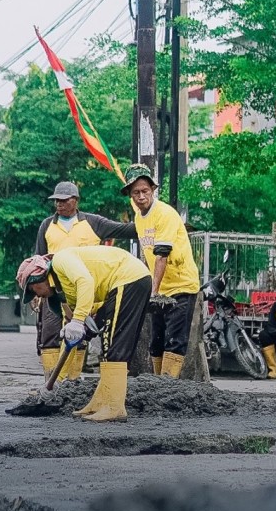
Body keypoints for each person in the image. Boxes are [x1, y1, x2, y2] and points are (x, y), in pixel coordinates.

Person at [18, 246, 151, 422]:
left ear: (37, 279)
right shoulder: (65, 293)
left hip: (128, 278)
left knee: (113, 344)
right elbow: (70, 339)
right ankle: (100, 402)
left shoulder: (61, 260)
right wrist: (57, 380)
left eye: (33, 290)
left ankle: (114, 407)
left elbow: (85, 281)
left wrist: (79, 319)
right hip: (123, 284)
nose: (38, 296)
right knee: (107, 345)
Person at [34, 181, 137, 382]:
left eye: (64, 200)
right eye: (56, 201)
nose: (59, 204)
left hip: (84, 288)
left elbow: (124, 230)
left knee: (78, 335)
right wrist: (36, 293)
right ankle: (51, 381)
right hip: (54, 290)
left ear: (76, 200)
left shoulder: (93, 222)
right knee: (50, 334)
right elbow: (38, 260)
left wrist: (150, 223)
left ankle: (72, 381)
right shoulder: (47, 225)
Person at [122, 163, 201, 378]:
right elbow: (146, 254)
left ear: (153, 190)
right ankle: (158, 383)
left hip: (181, 285)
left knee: (175, 339)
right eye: (136, 192)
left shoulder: (164, 214)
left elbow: (161, 254)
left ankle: (168, 383)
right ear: (130, 194)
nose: (141, 196)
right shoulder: (139, 218)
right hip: (161, 287)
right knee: (156, 341)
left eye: (145, 191)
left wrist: (153, 292)